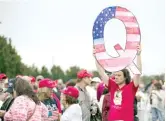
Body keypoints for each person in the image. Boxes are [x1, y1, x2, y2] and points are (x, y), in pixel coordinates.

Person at [94, 44, 142, 121]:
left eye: (119, 75)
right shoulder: (113, 86)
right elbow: (101, 73)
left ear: (125, 77)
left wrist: (139, 55)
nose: (116, 77)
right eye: (115, 75)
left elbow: (138, 73)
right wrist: (96, 57)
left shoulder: (131, 87)